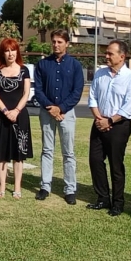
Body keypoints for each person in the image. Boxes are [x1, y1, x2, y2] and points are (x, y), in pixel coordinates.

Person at [86, 40, 131, 216]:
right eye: (106, 53)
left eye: (110, 53)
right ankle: (102, 198)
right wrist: (99, 118)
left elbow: (129, 107)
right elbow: (92, 97)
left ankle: (118, 202)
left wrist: (109, 121)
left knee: (115, 165)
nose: (106, 56)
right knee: (95, 161)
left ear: (122, 56)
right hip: (99, 123)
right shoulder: (100, 74)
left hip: (119, 126)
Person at [32, 29, 83, 204]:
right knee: (47, 150)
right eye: (54, 41)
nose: (56, 44)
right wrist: (50, 108)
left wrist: (60, 109)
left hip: (67, 114)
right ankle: (45, 186)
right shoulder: (43, 64)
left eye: (60, 42)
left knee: (68, 152)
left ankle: (70, 189)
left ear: (67, 43)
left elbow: (77, 92)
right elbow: (38, 90)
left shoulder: (75, 65)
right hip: (46, 113)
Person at [0, 37, 33, 198]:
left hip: (20, 116)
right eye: (7, 50)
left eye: (13, 50)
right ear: (2, 53)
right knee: (1, 152)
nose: (10, 53)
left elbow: (26, 93)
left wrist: (16, 111)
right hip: (0, 115)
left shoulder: (24, 70)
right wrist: (6, 111)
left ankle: (17, 187)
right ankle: (2, 187)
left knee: (18, 153)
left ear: (17, 52)